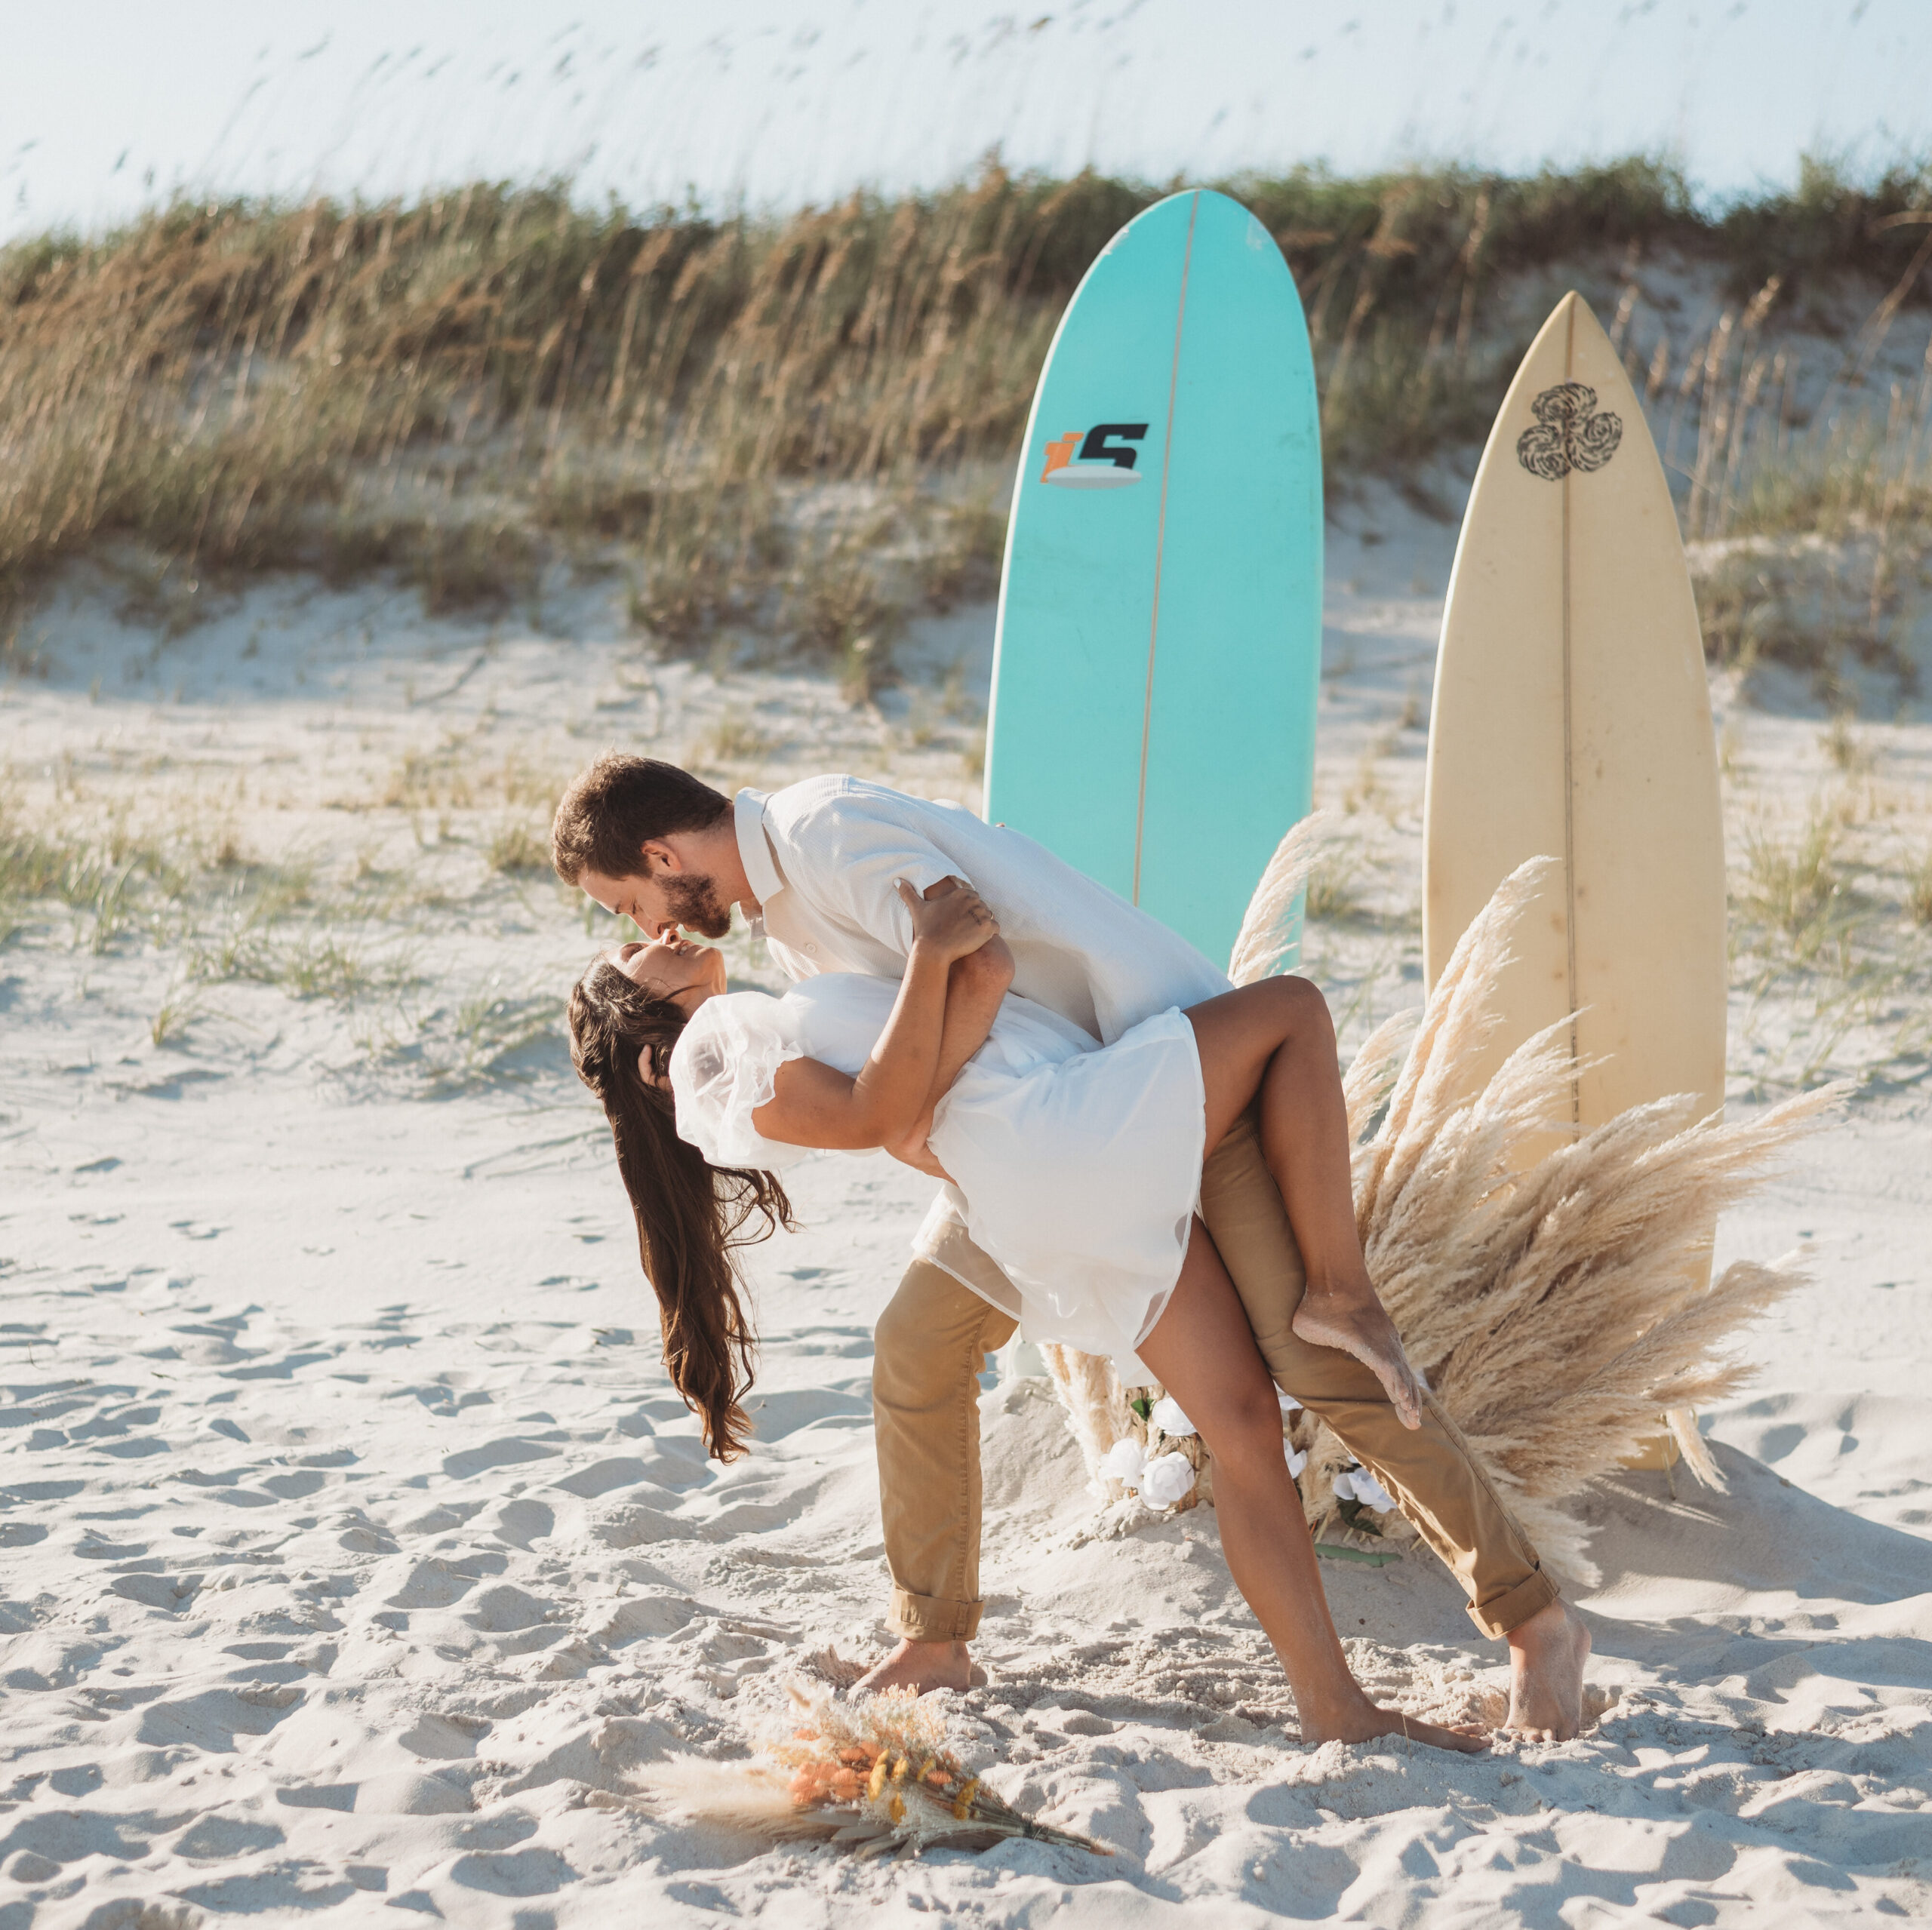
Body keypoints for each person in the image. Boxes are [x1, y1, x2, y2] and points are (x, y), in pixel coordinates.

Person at [552, 757, 1592, 1741]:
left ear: (660, 859)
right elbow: (902, 1080)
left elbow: (973, 975)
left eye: (623, 909)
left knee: (1301, 1370)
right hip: (1051, 1132)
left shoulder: (822, 835)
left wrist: (920, 1111)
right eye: (629, 934)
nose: (643, 925)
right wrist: (943, 1140)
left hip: (1137, 1062)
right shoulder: (778, 954)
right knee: (923, 1344)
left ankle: (1528, 1621)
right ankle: (940, 1639)